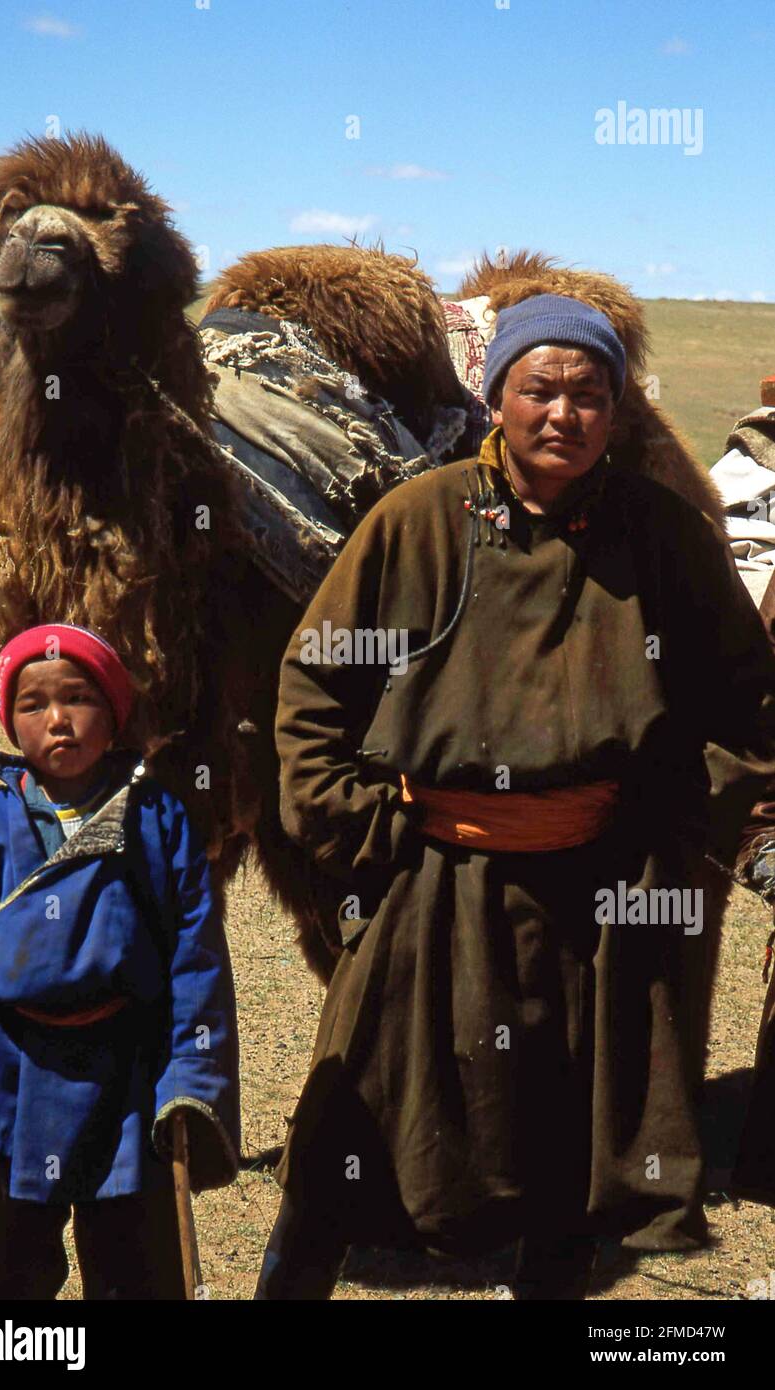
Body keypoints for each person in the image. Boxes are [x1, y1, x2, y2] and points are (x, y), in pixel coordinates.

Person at [255, 294, 775, 1300]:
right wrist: (361, 831)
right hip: (431, 881)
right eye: (539, 388)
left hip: (595, 896)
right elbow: (316, 683)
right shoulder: (418, 519)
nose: (562, 414)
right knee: (348, 1137)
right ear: (497, 396)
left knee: (571, 1159)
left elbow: (744, 701)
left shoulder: (659, 534)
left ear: (615, 410)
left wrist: (699, 827)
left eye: (588, 393)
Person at [0, 623, 240, 1299]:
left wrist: (190, 1077)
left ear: (116, 713)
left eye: (79, 698)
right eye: (33, 705)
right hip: (11, 1066)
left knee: (133, 1257)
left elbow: (195, 960)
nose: (59, 720)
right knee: (14, 1254)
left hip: (124, 1072)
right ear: (10, 722)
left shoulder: (155, 819)